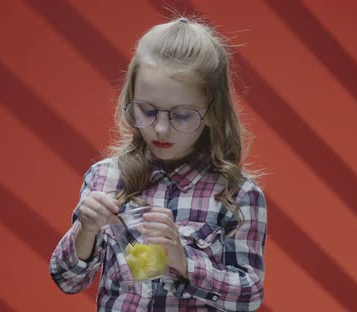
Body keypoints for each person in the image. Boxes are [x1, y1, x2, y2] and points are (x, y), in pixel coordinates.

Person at [50, 16, 267, 311]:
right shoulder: (105, 178)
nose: (161, 129)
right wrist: (85, 229)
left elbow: (250, 295)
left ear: (212, 113)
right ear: (130, 100)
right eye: (147, 110)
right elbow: (67, 280)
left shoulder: (237, 194)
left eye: (181, 116)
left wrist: (183, 260)